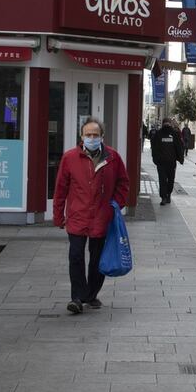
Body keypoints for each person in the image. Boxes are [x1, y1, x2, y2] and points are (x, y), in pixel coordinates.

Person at [53, 117, 129, 315]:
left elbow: (123, 183)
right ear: (81, 136)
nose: (92, 138)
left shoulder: (112, 158)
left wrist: (115, 205)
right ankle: (77, 298)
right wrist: (58, 215)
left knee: (97, 260)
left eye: (95, 135)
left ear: (102, 136)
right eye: (88, 135)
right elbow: (60, 189)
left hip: (101, 218)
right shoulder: (70, 158)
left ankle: (91, 293)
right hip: (77, 216)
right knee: (76, 256)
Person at [150, 117, 184, 205]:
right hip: (170, 162)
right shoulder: (174, 133)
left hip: (162, 162)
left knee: (162, 180)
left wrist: (155, 159)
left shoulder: (159, 134)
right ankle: (167, 195)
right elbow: (179, 147)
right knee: (170, 179)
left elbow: (154, 148)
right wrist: (180, 158)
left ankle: (164, 197)